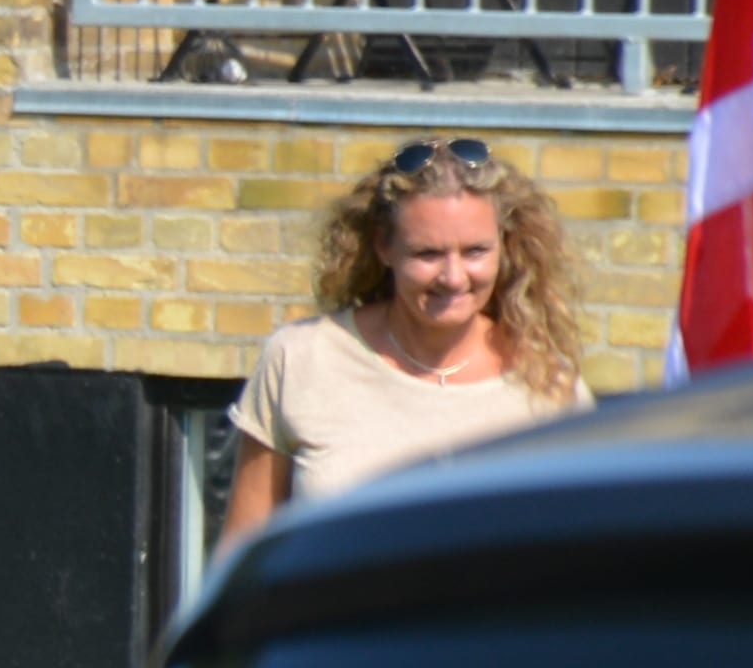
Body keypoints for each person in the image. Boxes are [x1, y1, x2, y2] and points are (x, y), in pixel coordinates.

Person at [216, 136, 592, 541]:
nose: (453, 277)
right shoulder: (301, 359)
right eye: (428, 254)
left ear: (506, 246)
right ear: (383, 246)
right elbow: (242, 557)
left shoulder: (550, 383)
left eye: (475, 251)